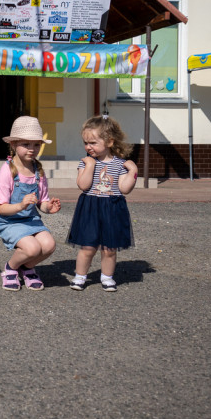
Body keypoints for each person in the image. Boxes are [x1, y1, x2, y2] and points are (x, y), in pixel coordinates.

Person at [67, 115, 137, 292]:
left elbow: (125, 188)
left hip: (113, 207)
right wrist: (90, 166)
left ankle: (107, 277)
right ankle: (80, 276)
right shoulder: (85, 162)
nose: (88, 147)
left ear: (110, 142)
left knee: (109, 248)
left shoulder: (120, 164)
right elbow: (83, 185)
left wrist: (133, 171)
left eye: (92, 143)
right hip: (90, 207)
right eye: (85, 143)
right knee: (88, 246)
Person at [0, 116, 62, 291]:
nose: (32, 149)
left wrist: (48, 208)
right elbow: (1, 208)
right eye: (26, 144)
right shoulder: (7, 171)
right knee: (32, 249)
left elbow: (42, 202)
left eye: (36, 144)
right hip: (9, 220)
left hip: (30, 219)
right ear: (14, 144)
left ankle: (27, 268)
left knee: (48, 245)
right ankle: (11, 268)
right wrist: (21, 206)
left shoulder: (38, 170)